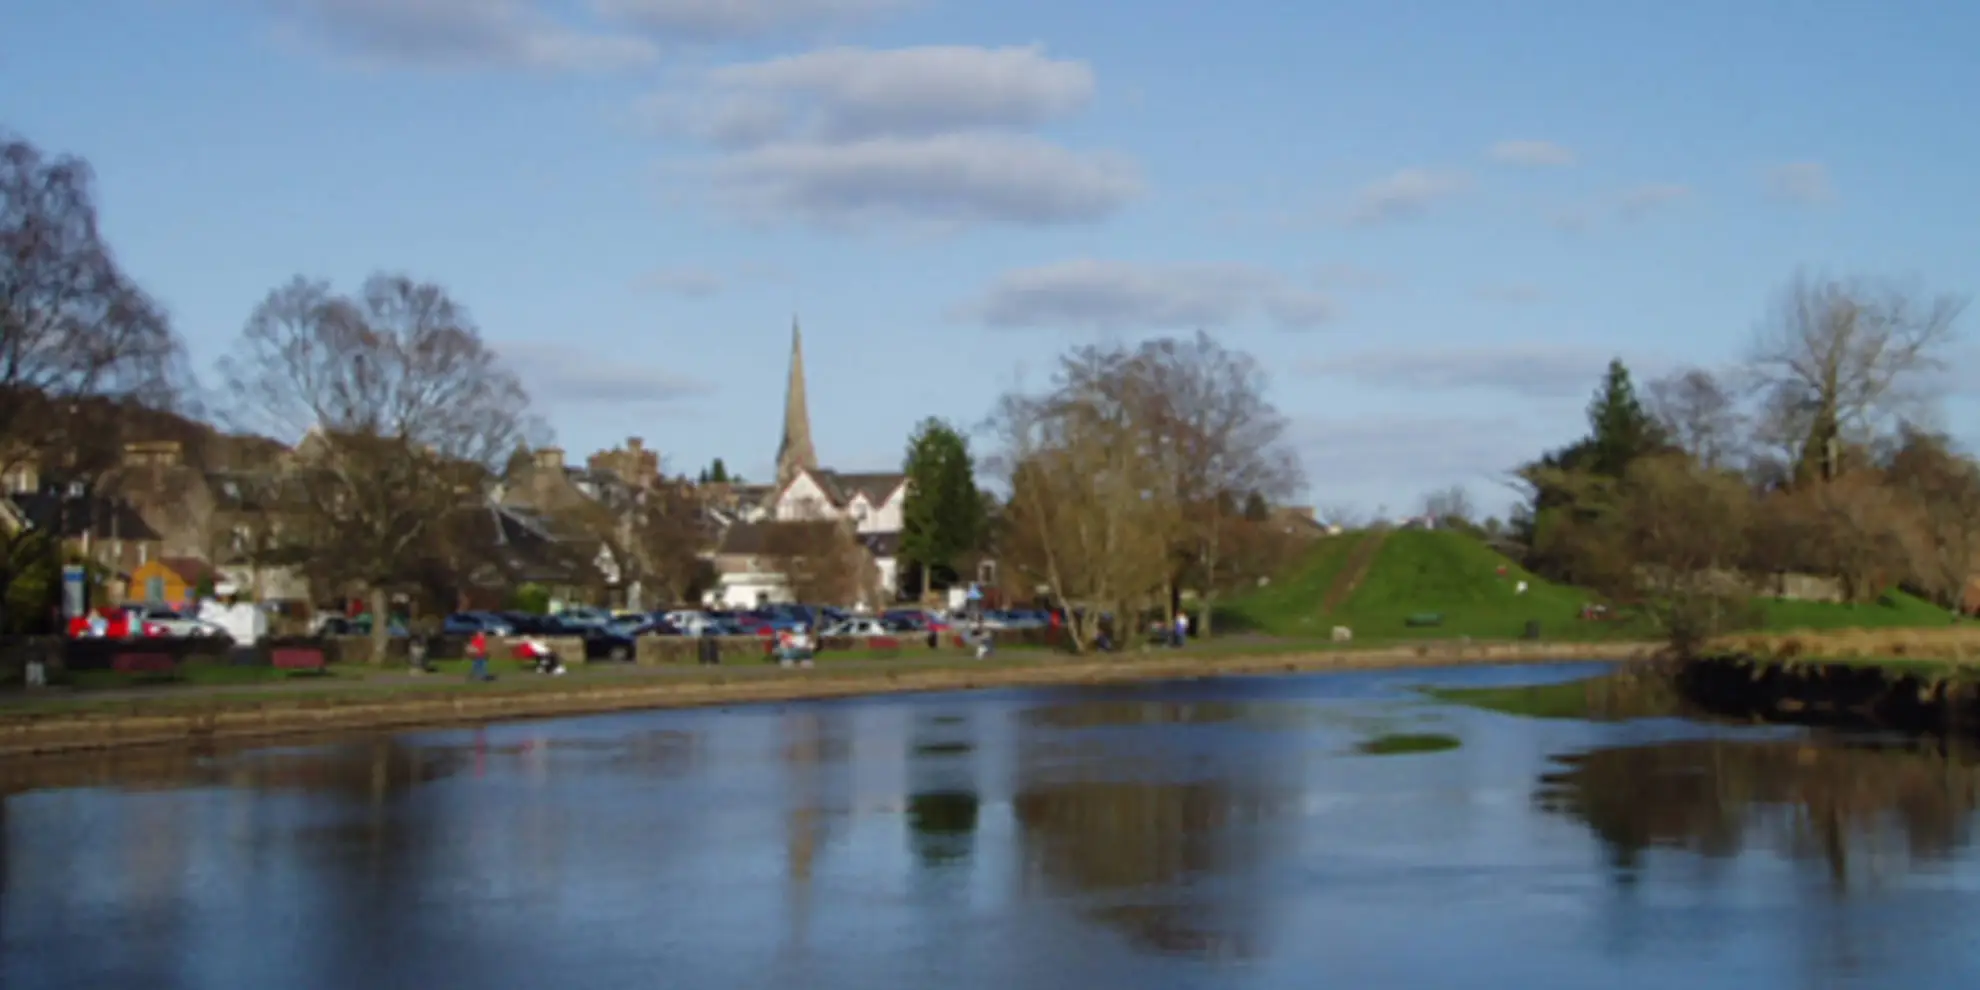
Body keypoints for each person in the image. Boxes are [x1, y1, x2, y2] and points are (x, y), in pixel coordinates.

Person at [199, 582, 267, 665]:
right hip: (226, 648)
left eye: (228, 597)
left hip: (246, 646)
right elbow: (206, 629)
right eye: (224, 597)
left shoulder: (247, 609)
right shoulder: (211, 611)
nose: (226, 599)